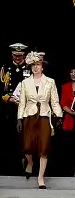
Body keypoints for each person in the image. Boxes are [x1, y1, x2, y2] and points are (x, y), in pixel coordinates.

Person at [17, 52, 63, 189]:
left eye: (38, 65)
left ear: (42, 66)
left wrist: (59, 116)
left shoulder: (50, 82)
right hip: (29, 115)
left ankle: (40, 177)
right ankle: (30, 162)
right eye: (33, 65)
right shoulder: (25, 82)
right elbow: (22, 103)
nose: (36, 67)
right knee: (27, 146)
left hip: (44, 116)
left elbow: (54, 101)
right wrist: (19, 119)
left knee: (43, 147)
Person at [0, 43, 29, 174]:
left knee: (25, 138)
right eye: (15, 55)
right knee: (8, 138)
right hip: (9, 110)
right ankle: (9, 167)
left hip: (26, 109)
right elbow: (0, 88)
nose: (18, 58)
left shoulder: (30, 68)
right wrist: (8, 98)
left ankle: (26, 166)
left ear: (24, 55)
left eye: (20, 55)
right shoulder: (5, 68)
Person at [60, 68, 75, 177]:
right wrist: (70, 112)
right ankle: (67, 172)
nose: (73, 74)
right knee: (68, 148)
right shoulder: (65, 87)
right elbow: (63, 103)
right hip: (69, 120)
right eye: (71, 72)